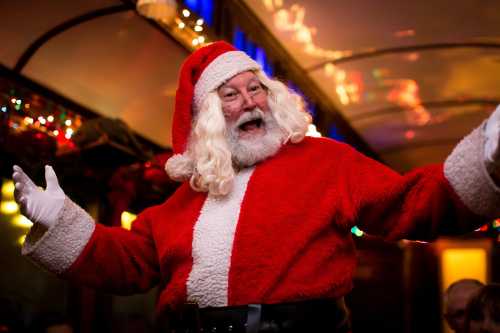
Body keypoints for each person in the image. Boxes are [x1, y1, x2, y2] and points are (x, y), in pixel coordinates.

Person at [11, 41, 500, 333]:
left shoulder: (324, 161)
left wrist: (484, 159)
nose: (250, 102)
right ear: (207, 117)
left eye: (256, 88)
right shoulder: (186, 197)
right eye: (230, 94)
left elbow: (412, 204)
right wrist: (63, 221)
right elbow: (133, 263)